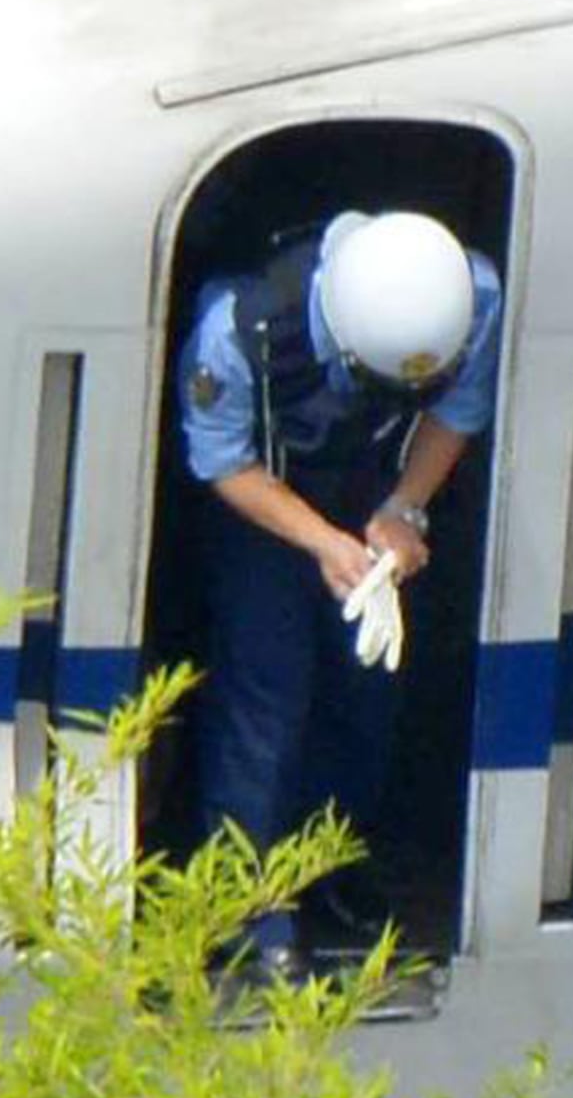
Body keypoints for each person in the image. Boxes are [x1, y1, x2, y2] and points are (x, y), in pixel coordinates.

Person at [172, 207, 502, 986]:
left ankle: (332, 864)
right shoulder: (239, 329)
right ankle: (247, 907)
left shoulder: (470, 297)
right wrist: (321, 542)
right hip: (267, 497)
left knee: (367, 693)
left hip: (373, 488)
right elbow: (221, 462)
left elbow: (456, 412)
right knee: (266, 700)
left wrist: (405, 509)